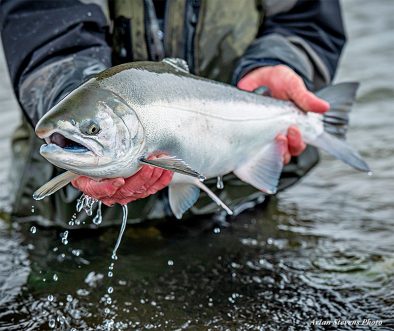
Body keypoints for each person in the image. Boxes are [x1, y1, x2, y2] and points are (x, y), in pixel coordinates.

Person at [0, 0, 345, 226]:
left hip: (236, 205)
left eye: (91, 130)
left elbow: (306, 18)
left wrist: (281, 64)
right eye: (93, 131)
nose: (85, 134)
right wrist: (64, 91)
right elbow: (40, 17)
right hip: (71, 215)